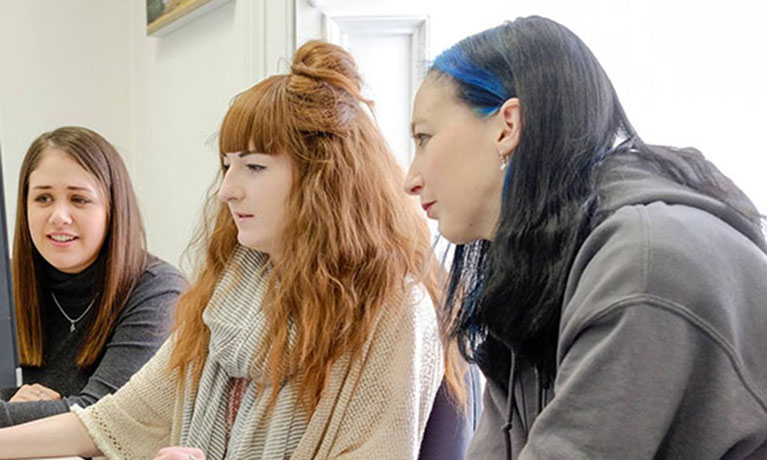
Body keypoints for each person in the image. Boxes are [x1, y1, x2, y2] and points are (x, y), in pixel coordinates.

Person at [0, 41, 467, 459]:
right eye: (227, 166)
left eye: (254, 167)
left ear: (323, 177)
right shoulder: (233, 293)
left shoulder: (393, 310)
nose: (227, 190)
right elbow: (114, 420)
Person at [404, 16, 767, 459]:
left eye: (424, 137)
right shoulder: (535, 267)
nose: (411, 179)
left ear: (506, 127)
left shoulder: (642, 267)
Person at [0, 126, 186, 428]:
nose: (59, 216)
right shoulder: (6, 283)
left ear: (113, 209)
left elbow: (102, 415)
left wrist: (9, 409)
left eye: (79, 199)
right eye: (43, 198)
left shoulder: (158, 291)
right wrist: (13, 401)